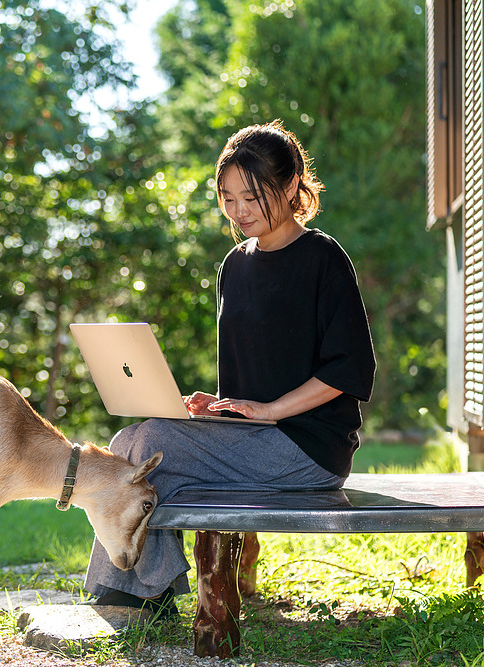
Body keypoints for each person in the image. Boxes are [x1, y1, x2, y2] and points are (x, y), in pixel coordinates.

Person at [83, 120, 376, 617]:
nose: (238, 211)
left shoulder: (323, 259)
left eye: (252, 197)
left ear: (290, 186)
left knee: (150, 445)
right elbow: (251, 375)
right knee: (129, 445)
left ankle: (138, 592)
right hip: (254, 439)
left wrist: (271, 411)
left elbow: (350, 368)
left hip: (309, 447)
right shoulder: (234, 265)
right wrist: (216, 409)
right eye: (228, 197)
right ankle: (137, 588)